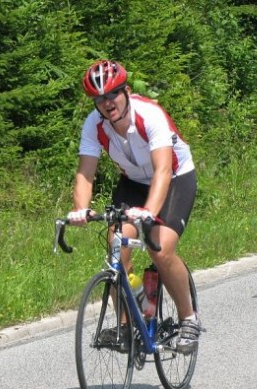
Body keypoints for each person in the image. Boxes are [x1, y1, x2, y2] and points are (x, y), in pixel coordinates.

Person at [67, 59, 201, 353]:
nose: (107, 103)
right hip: (134, 183)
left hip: (175, 178)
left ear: (126, 91)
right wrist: (80, 209)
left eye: (112, 94)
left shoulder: (149, 115)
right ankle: (129, 326)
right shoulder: (94, 125)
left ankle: (188, 318)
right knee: (117, 246)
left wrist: (150, 212)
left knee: (160, 248)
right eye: (99, 98)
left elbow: (164, 170)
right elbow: (85, 172)